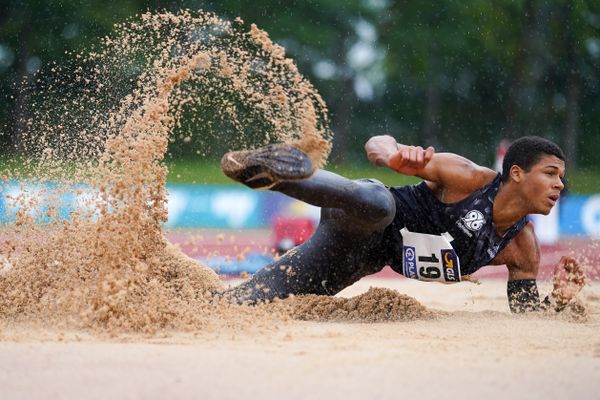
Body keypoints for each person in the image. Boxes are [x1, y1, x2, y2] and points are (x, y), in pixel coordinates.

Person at [219, 135, 586, 312]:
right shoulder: (468, 177)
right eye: (551, 173)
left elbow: (526, 316)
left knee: (243, 304)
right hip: (362, 210)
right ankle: (274, 171)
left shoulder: (523, 248)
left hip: (354, 257)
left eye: (562, 177)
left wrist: (558, 300)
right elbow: (376, 145)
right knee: (379, 204)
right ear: (517, 173)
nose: (559, 185)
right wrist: (397, 153)